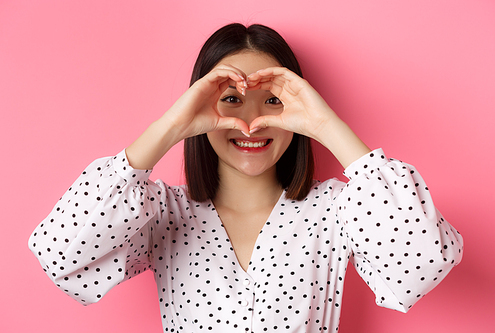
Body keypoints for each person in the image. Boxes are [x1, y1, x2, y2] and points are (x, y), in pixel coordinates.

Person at [28, 23, 463, 332]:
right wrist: (170, 127)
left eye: (272, 101)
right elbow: (60, 253)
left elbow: (421, 261)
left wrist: (325, 124)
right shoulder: (161, 213)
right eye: (232, 100)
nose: (251, 123)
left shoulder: (336, 209)